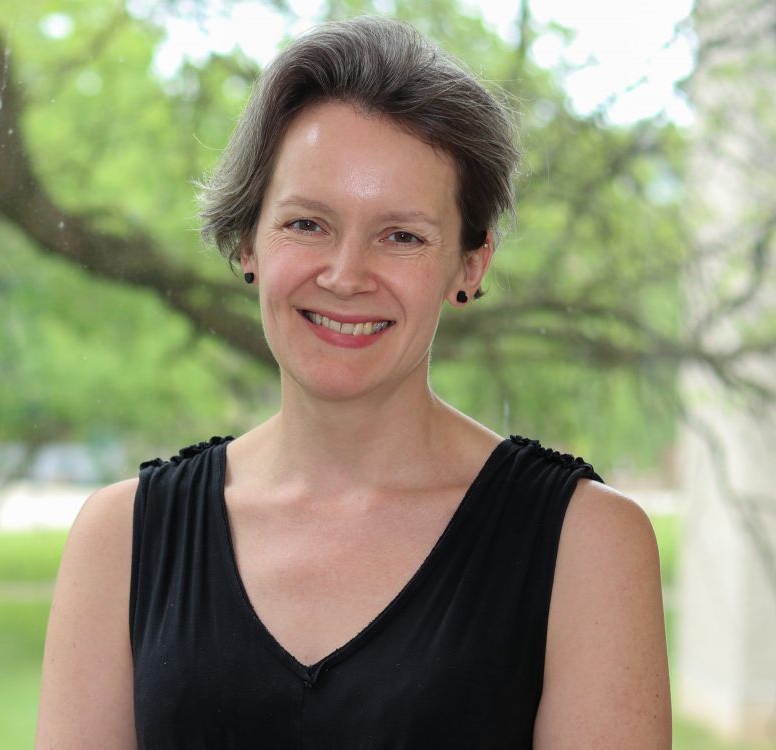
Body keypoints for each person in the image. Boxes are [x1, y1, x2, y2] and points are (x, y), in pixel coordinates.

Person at [36, 16, 669, 749]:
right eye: (307, 224)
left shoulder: (586, 546)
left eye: (401, 235)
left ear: (471, 264)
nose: (344, 275)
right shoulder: (122, 541)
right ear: (248, 240)